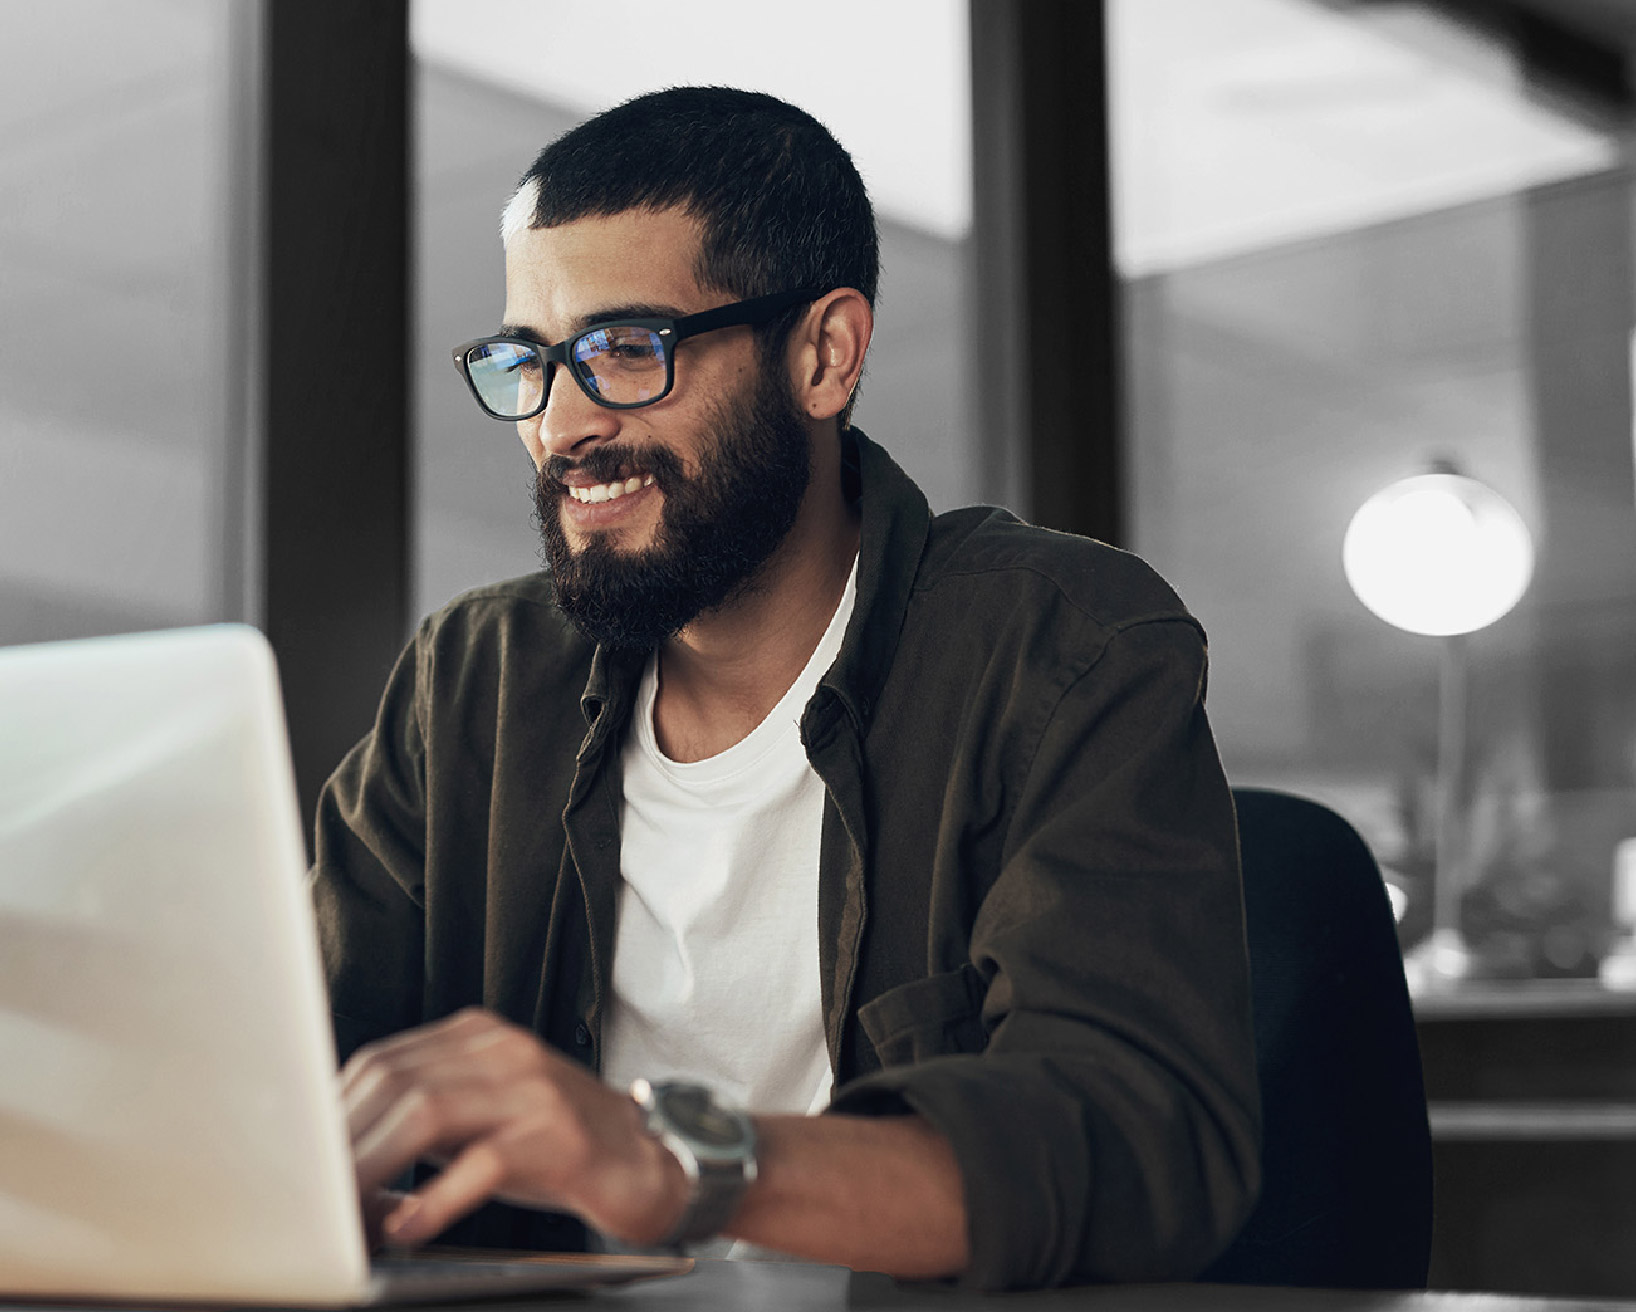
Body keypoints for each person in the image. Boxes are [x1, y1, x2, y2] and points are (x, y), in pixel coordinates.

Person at [311, 87, 1259, 1291]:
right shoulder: (473, 682)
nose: (559, 424)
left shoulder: (1062, 646)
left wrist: (677, 1161)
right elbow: (292, 1059)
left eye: (624, 350)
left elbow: (1135, 1139)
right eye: (529, 361)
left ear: (823, 354)